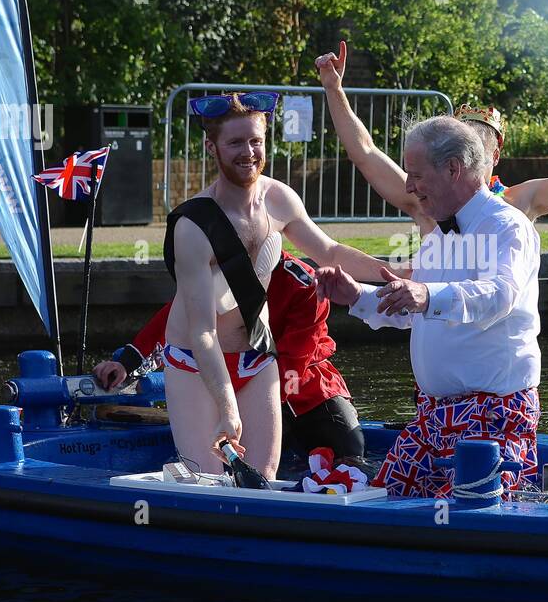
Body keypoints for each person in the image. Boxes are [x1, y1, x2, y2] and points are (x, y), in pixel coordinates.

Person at [163, 91, 389, 480]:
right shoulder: (192, 226)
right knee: (210, 477)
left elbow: (329, 250)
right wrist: (228, 407)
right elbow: (202, 331)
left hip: (255, 353)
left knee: (262, 477)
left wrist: (398, 274)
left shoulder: (279, 198)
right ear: (211, 146)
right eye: (235, 142)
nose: (248, 152)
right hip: (194, 361)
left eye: (256, 141)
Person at [315, 116, 541, 500]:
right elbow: (415, 305)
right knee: (384, 501)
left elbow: (500, 295)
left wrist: (428, 295)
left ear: (453, 169)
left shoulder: (508, 226)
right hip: (432, 416)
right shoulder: (438, 234)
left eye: (416, 175)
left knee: (474, 518)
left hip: (492, 415)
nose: (408, 187)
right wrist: (356, 296)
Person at [313, 40, 548, 230]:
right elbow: (365, 151)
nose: (464, 156)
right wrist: (333, 88)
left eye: (476, 147)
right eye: (457, 144)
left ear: (494, 156)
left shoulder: (520, 202)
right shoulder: (425, 202)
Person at [93, 249, 364, 465]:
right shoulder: (217, 274)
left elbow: (296, 359)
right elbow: (174, 318)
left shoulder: (304, 284)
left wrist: (260, 406)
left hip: (305, 389)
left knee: (351, 453)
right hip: (238, 385)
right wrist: (128, 361)